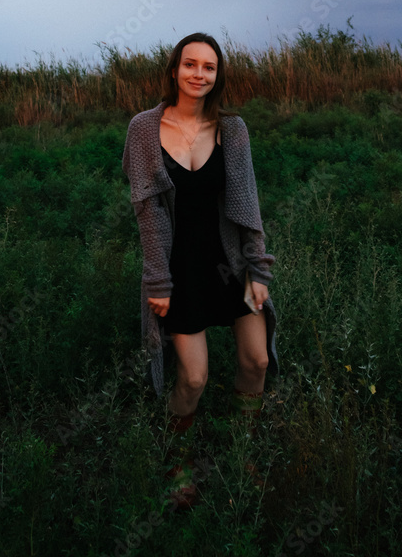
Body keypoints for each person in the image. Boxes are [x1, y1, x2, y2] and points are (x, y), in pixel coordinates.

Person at [122, 32, 277, 505]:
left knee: (257, 361)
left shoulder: (233, 129)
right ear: (174, 70)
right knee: (193, 377)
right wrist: (158, 281)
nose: (199, 74)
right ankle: (178, 458)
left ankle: (242, 451)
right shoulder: (145, 129)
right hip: (179, 270)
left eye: (209, 68)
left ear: (217, 75)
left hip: (229, 264)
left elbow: (247, 204)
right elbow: (148, 214)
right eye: (191, 65)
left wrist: (258, 270)